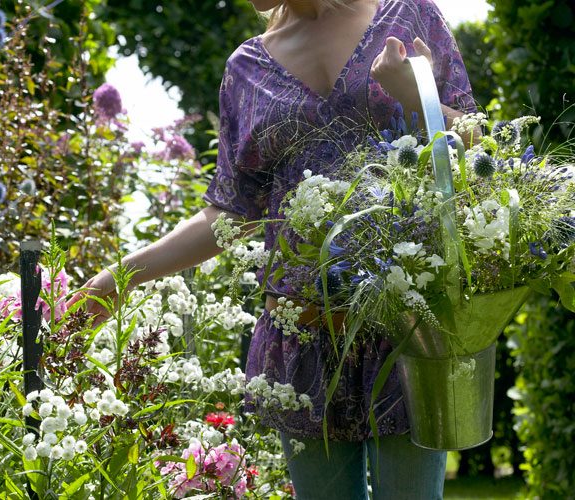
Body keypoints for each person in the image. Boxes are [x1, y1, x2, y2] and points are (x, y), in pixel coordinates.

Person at [77, 0, 476, 497]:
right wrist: (116, 276)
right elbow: (231, 214)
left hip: (406, 331)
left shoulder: (407, 14)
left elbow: (480, 152)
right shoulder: (247, 68)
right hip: (302, 338)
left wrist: (418, 96)